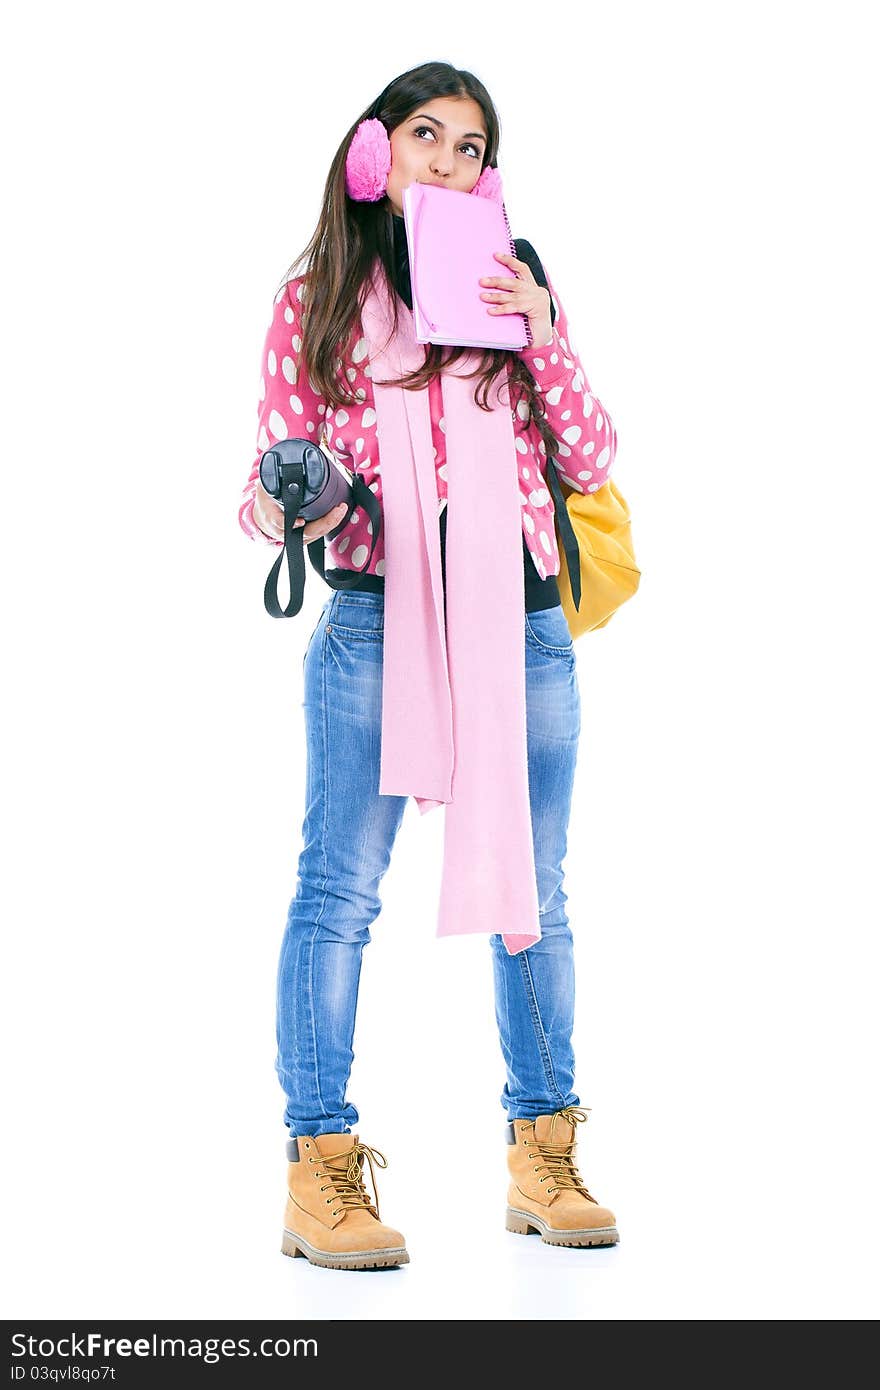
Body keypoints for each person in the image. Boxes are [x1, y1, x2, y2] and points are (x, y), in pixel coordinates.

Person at [239, 60, 621, 1271]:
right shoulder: (317, 300)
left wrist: (543, 334)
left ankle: (541, 1148)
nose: (449, 164)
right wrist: (286, 499)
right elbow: (263, 481)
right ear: (372, 155)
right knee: (340, 893)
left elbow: (594, 448)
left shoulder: (513, 288)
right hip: (374, 622)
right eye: (426, 137)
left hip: (521, 626)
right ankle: (319, 1165)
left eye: (471, 148)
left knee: (536, 894)